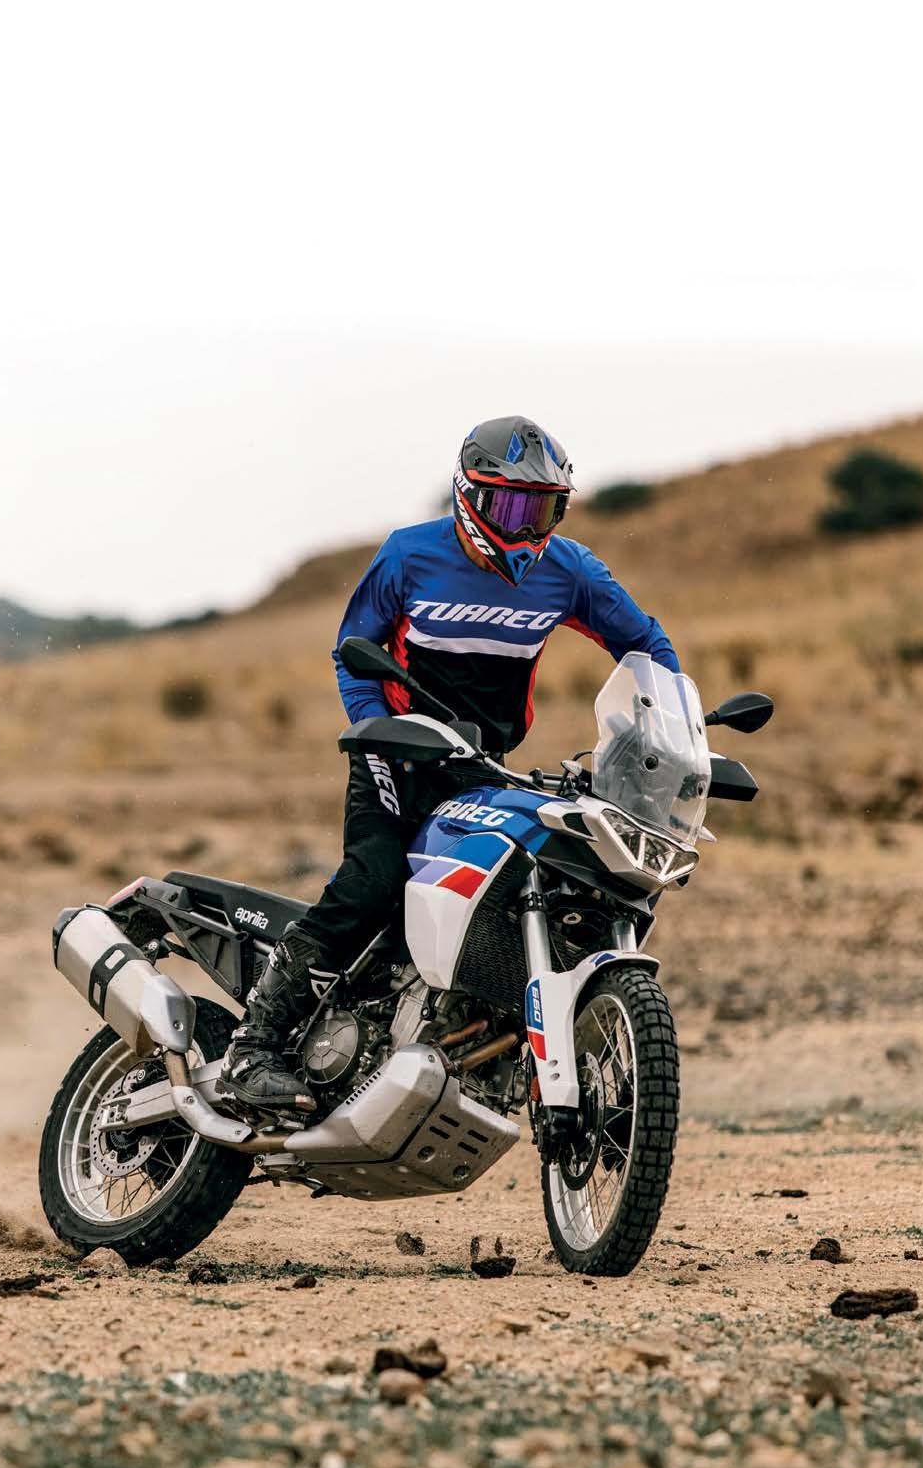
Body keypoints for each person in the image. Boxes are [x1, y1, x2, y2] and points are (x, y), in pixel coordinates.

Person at [216, 415, 682, 1113]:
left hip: (483, 766)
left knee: (532, 885)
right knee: (376, 878)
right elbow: (354, 650)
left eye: (543, 510)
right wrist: (379, 730)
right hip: (397, 752)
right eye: (511, 507)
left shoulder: (570, 571)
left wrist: (670, 729)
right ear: (469, 494)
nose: (526, 527)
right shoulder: (409, 556)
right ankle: (251, 1047)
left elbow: (644, 643)